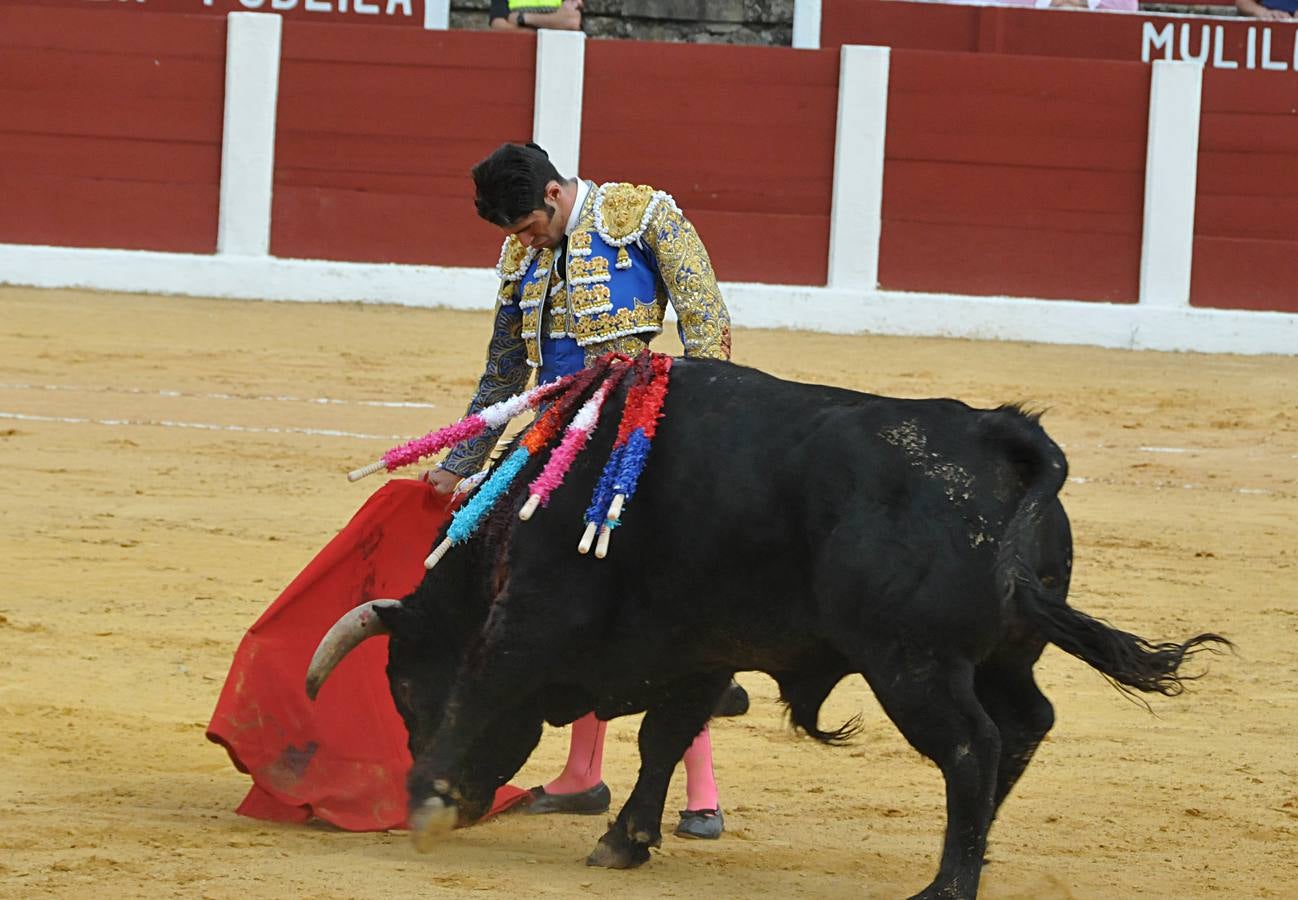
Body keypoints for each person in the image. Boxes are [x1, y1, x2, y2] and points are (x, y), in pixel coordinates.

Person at [425, 141, 740, 839]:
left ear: (554, 195)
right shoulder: (519, 256)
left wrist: (699, 431)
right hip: (555, 438)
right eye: (513, 236)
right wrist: (465, 456)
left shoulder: (642, 214)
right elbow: (505, 367)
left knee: (655, 607)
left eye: (528, 228)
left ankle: (703, 792)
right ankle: (583, 775)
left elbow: (705, 319)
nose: (523, 244)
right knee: (563, 598)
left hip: (638, 432)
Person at [489, 0, 584, 31]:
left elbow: (572, 21)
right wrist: (554, 21)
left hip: (558, 55)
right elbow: (498, 26)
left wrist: (522, 18)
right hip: (517, 55)